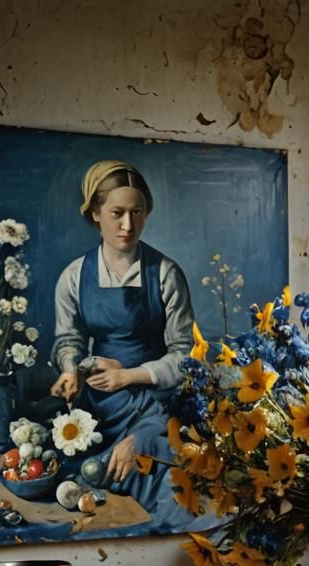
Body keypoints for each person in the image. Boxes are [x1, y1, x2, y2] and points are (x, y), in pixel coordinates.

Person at [49, 160, 203, 532]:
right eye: (117, 213)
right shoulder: (74, 276)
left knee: (154, 464)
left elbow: (186, 357)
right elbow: (69, 339)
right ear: (95, 213)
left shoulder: (165, 273)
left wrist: (128, 375)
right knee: (81, 466)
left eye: (137, 213)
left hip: (157, 398)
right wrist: (69, 369)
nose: (128, 225)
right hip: (98, 403)